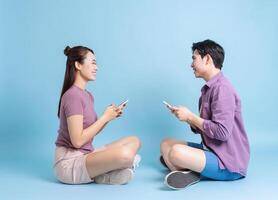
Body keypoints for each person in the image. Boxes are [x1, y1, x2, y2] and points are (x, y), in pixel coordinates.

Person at [160, 39, 250, 189]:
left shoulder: (223, 89)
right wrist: (186, 118)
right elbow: (204, 127)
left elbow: (222, 132)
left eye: (194, 58)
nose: (191, 64)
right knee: (166, 144)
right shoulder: (207, 90)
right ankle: (189, 171)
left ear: (207, 59)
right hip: (211, 150)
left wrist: (190, 116)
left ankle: (190, 169)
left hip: (228, 162)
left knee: (175, 152)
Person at [54, 45, 141, 185]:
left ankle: (102, 174)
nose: (97, 67)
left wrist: (109, 118)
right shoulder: (72, 96)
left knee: (134, 140)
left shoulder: (87, 96)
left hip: (86, 155)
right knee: (126, 155)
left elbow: (89, 133)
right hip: (69, 163)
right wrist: (105, 117)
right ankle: (111, 168)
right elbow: (77, 141)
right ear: (78, 65)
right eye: (93, 62)